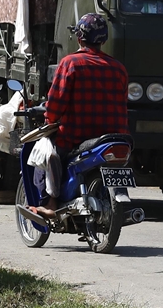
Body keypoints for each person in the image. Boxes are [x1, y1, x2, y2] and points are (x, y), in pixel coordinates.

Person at [32, 13, 129, 217]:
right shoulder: (119, 69)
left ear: (79, 38)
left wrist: (49, 119)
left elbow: (56, 102)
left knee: (46, 153)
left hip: (76, 137)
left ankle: (51, 203)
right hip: (113, 137)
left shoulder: (71, 63)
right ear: (103, 40)